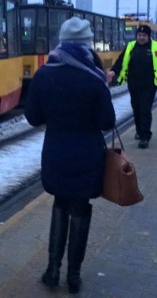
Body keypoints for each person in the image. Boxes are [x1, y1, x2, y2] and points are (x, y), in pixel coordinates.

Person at [24, 17, 116, 294]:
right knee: (80, 208)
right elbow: (106, 121)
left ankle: (52, 271)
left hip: (55, 152)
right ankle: (73, 277)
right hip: (87, 155)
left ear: (62, 42)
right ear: (88, 45)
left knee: (60, 204)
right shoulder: (94, 78)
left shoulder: (43, 74)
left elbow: (33, 117)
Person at [110, 24, 157, 149]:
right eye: (139, 35)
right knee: (136, 109)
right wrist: (114, 71)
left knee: (145, 110)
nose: (141, 38)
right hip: (134, 84)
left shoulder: (156, 48)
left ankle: (145, 137)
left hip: (149, 85)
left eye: (144, 35)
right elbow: (120, 61)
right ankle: (139, 131)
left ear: (149, 36)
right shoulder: (130, 47)